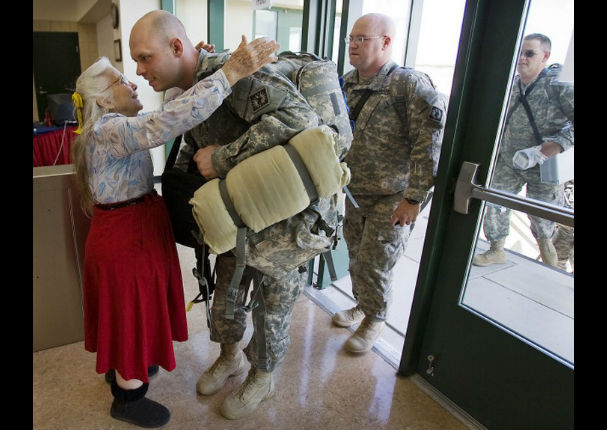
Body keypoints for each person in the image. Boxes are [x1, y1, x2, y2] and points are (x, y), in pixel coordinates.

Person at [129, 10, 344, 420]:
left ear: (176, 47)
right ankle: (230, 357)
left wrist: (226, 158)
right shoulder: (193, 92)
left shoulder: (238, 76)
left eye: (144, 58)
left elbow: (301, 120)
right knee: (226, 295)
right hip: (239, 215)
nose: (139, 71)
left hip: (285, 218)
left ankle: (262, 377)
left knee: (273, 306)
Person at [71, 35, 279, 428]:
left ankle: (124, 370)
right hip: (126, 238)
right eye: (120, 80)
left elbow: (174, 111)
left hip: (131, 229)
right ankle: (128, 400)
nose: (133, 81)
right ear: (103, 101)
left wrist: (200, 70)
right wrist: (232, 72)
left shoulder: (111, 128)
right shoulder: (110, 130)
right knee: (132, 309)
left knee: (131, 311)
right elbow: (167, 122)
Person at [332, 13, 446, 353]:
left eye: (362, 38)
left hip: (393, 196)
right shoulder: (345, 84)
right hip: (354, 193)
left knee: (376, 261)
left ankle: (375, 318)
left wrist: (414, 198)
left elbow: (431, 144)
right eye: (351, 38)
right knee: (355, 258)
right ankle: (363, 305)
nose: (353, 44)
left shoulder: (408, 86)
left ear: (385, 43)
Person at [472, 33, 574, 268]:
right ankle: (496, 249)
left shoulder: (557, 84)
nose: (522, 58)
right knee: (495, 201)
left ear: (545, 56)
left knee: (542, 217)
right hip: (510, 160)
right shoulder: (512, 84)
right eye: (520, 52)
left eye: (530, 53)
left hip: (543, 165)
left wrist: (555, 146)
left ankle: (550, 260)